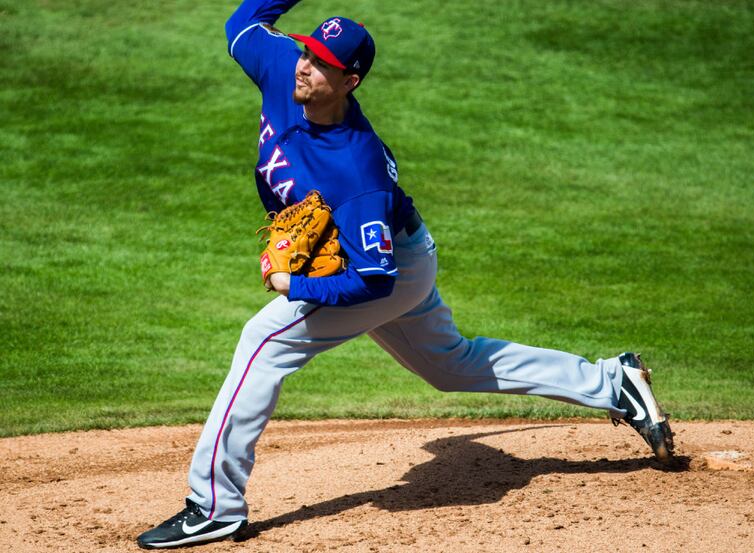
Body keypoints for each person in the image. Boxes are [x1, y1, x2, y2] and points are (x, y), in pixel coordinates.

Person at [136, 0, 674, 549]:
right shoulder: (281, 70)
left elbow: (375, 280)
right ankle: (614, 381)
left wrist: (291, 285)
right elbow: (243, 24)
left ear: (350, 80)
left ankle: (213, 506)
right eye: (306, 51)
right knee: (449, 364)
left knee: (262, 342)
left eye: (320, 62)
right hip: (399, 256)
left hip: (390, 268)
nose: (304, 66)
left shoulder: (356, 169)